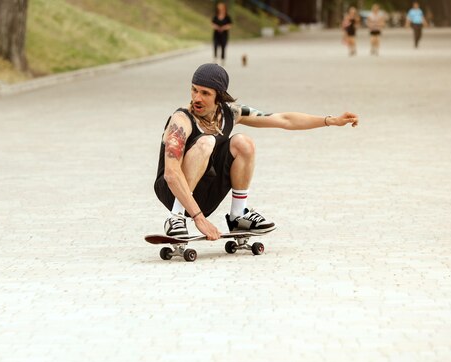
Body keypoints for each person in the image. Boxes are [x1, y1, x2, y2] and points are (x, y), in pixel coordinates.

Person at [153, 63, 359, 239]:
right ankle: (176, 218)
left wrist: (330, 120)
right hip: (172, 191)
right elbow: (171, 174)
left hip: (204, 193)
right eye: (194, 90)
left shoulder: (230, 113)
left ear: (219, 97)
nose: (197, 98)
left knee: (244, 142)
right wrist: (198, 218)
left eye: (205, 93)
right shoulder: (181, 120)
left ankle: (238, 216)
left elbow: (283, 120)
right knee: (206, 142)